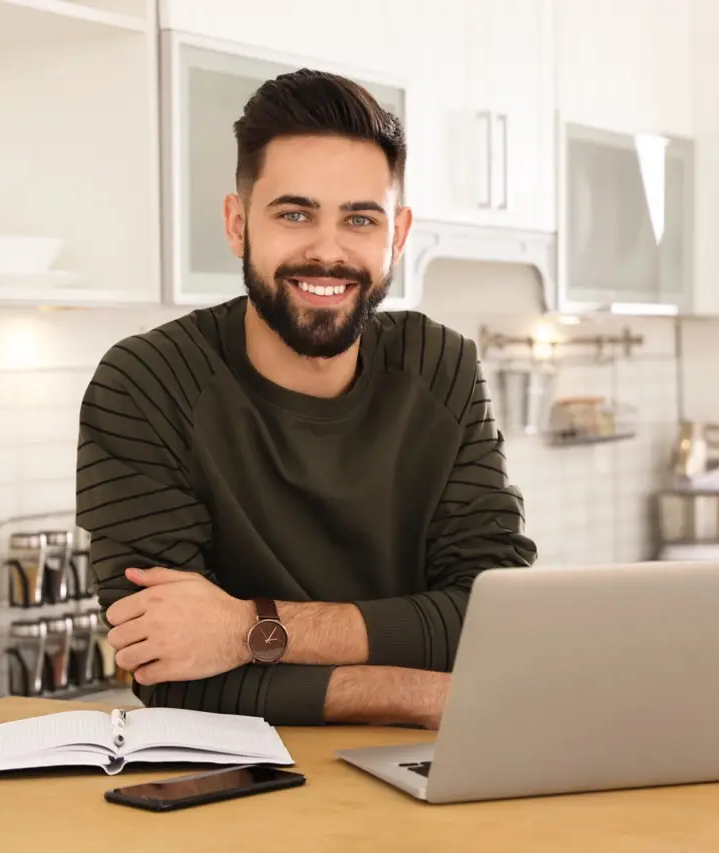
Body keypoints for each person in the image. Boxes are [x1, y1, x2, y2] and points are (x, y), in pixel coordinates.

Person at [75, 68, 537, 729]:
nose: (328, 250)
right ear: (238, 225)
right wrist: (419, 693)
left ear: (398, 236)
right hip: (231, 791)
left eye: (359, 218)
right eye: (295, 214)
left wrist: (248, 628)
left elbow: (496, 616)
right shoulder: (146, 384)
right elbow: (167, 669)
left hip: (426, 781)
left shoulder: (442, 367)